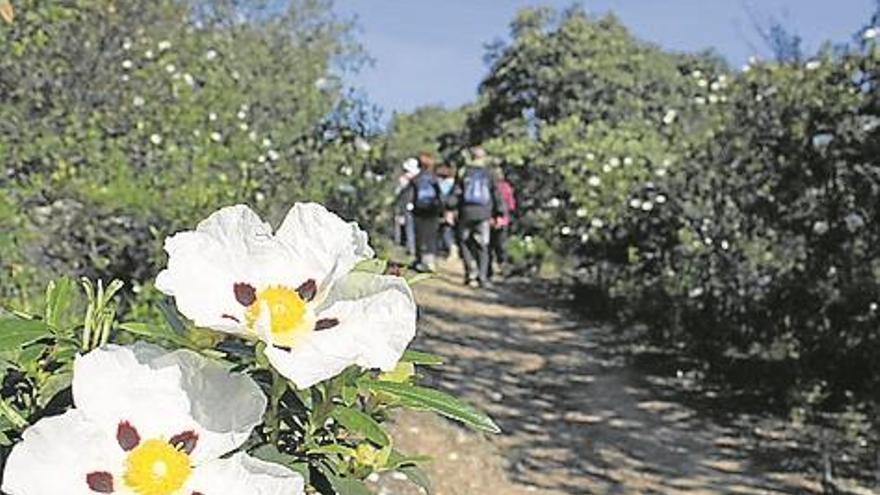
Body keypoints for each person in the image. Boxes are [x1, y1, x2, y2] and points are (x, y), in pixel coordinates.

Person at [451, 147, 506, 288]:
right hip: (484, 214)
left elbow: (456, 193)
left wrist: (450, 208)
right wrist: (499, 213)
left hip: (466, 213)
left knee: (464, 242)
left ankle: (470, 273)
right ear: (484, 157)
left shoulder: (464, 172)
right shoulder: (489, 173)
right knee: (483, 245)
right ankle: (482, 277)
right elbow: (496, 195)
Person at [405, 152, 444, 272]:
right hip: (432, 211)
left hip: (418, 211)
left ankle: (419, 260)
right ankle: (430, 261)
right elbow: (440, 196)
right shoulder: (434, 179)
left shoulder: (416, 179)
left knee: (419, 236)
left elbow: (410, 196)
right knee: (431, 236)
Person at [489, 165, 516, 278]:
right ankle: (503, 267)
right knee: (501, 246)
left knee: (488, 245)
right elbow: (511, 206)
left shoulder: (488, 187)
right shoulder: (507, 187)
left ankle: (488, 270)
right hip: (504, 220)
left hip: (489, 220)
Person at [393, 158, 419, 256]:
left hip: (406, 204)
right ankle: (414, 247)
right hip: (416, 205)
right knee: (413, 227)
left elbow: (397, 192)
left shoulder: (404, 179)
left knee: (409, 227)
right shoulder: (419, 177)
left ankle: (410, 248)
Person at [435, 162, 458, 259]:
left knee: (446, 230)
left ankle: (452, 249)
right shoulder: (456, 182)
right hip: (456, 210)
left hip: (446, 210)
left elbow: (442, 199)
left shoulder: (443, 184)